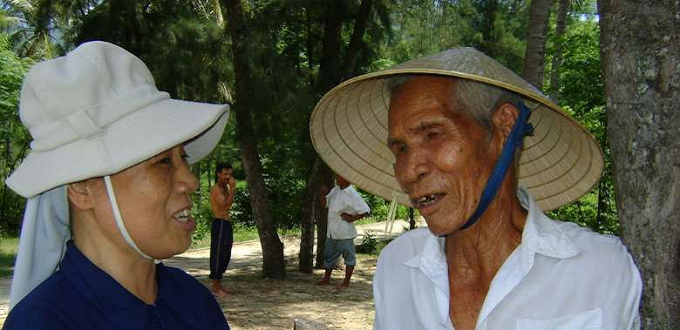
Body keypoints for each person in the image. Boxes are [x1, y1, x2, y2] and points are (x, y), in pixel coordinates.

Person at [309, 48, 642, 329]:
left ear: (504, 126)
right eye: (400, 149)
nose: (408, 171)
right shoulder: (399, 267)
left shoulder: (599, 270)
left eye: (432, 134)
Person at [3, 41, 231, 329]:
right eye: (163, 162)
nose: (191, 180)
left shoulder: (194, 300)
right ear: (82, 188)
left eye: (183, 158)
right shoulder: (43, 323)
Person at [317, 174, 370, 291]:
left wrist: (351, 218)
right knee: (329, 255)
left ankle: (346, 282)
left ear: (347, 178)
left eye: (339, 177)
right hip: (332, 231)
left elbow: (366, 210)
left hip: (345, 232)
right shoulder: (335, 190)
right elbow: (324, 204)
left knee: (349, 256)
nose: (336, 178)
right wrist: (322, 193)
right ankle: (326, 278)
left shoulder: (351, 193)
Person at [209, 162, 237, 297]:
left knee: (225, 253)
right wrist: (232, 189)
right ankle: (215, 287)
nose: (228, 177)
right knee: (218, 254)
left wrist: (230, 189)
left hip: (226, 223)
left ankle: (219, 285)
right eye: (225, 174)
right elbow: (224, 206)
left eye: (230, 174)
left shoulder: (225, 188)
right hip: (219, 223)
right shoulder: (216, 190)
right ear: (218, 174)